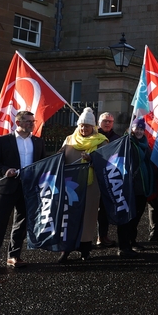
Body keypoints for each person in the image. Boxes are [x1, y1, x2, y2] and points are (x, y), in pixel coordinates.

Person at [0, 111, 46, 274]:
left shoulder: (38, 142)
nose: (32, 124)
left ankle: (14, 256)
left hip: (28, 188)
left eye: (33, 121)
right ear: (18, 123)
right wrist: (5, 170)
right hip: (7, 188)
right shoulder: (3, 141)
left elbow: (43, 163)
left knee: (21, 224)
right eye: (28, 121)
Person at [57, 108, 108, 262]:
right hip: (71, 185)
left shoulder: (102, 141)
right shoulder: (69, 140)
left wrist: (92, 159)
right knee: (69, 216)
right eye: (81, 126)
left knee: (88, 217)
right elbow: (59, 158)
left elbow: (107, 162)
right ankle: (66, 249)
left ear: (93, 127)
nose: (84, 129)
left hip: (91, 186)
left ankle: (85, 250)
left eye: (87, 126)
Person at [118, 118, 155, 258]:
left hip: (142, 186)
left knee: (136, 216)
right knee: (127, 218)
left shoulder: (144, 143)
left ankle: (131, 241)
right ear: (131, 129)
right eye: (136, 128)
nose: (139, 131)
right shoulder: (127, 142)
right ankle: (123, 246)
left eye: (141, 129)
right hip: (130, 186)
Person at [96, 112, 119, 248]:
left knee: (104, 209)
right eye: (105, 121)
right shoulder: (93, 136)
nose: (107, 123)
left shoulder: (117, 138)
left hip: (109, 177)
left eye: (110, 121)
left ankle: (102, 236)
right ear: (99, 122)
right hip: (94, 178)